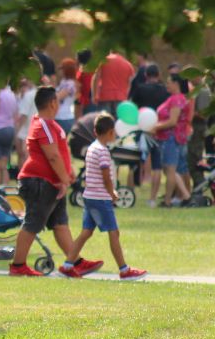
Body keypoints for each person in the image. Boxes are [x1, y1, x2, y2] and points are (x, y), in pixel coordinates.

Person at [9, 86, 102, 277]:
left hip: (52, 182)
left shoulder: (48, 124)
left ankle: (74, 262)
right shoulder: (43, 124)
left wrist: (68, 172)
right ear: (52, 103)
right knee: (32, 223)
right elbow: (52, 155)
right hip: (40, 182)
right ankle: (18, 266)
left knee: (60, 223)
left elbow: (59, 153)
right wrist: (64, 179)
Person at [60, 113, 148, 280]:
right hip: (100, 198)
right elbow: (106, 176)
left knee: (86, 232)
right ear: (110, 132)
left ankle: (67, 265)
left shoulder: (92, 148)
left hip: (89, 196)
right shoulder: (103, 151)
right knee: (114, 233)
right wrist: (112, 193)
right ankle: (124, 269)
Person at [130, 63, 170, 203]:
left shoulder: (140, 89)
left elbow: (132, 107)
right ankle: (152, 198)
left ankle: (130, 192)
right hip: (159, 130)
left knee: (134, 161)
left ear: (146, 75)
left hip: (141, 129)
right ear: (158, 75)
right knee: (157, 166)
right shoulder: (165, 91)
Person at [154, 73, 193, 206]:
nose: (167, 85)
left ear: (176, 84)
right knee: (179, 169)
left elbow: (172, 121)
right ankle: (184, 196)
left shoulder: (176, 99)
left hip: (171, 138)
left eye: (169, 82)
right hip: (178, 138)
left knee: (170, 170)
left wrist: (155, 127)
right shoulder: (180, 98)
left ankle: (169, 200)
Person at [186, 69, 211, 191]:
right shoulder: (196, 91)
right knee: (190, 160)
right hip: (194, 129)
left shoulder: (203, 91)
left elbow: (204, 114)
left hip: (198, 129)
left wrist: (190, 113)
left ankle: (200, 185)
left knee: (195, 160)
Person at [91, 50, 135, 114]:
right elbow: (130, 84)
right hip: (121, 98)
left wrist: (94, 95)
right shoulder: (128, 64)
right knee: (118, 119)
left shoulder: (104, 61)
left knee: (105, 119)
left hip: (105, 96)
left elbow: (95, 78)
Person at [13, 77, 36, 168]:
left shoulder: (29, 95)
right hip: (36, 129)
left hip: (26, 131)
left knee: (24, 156)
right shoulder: (42, 93)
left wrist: (17, 130)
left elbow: (23, 115)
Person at [56, 58, 79, 133]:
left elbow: (58, 97)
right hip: (59, 116)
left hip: (64, 118)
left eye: (62, 69)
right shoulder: (63, 81)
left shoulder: (71, 84)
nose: (60, 71)